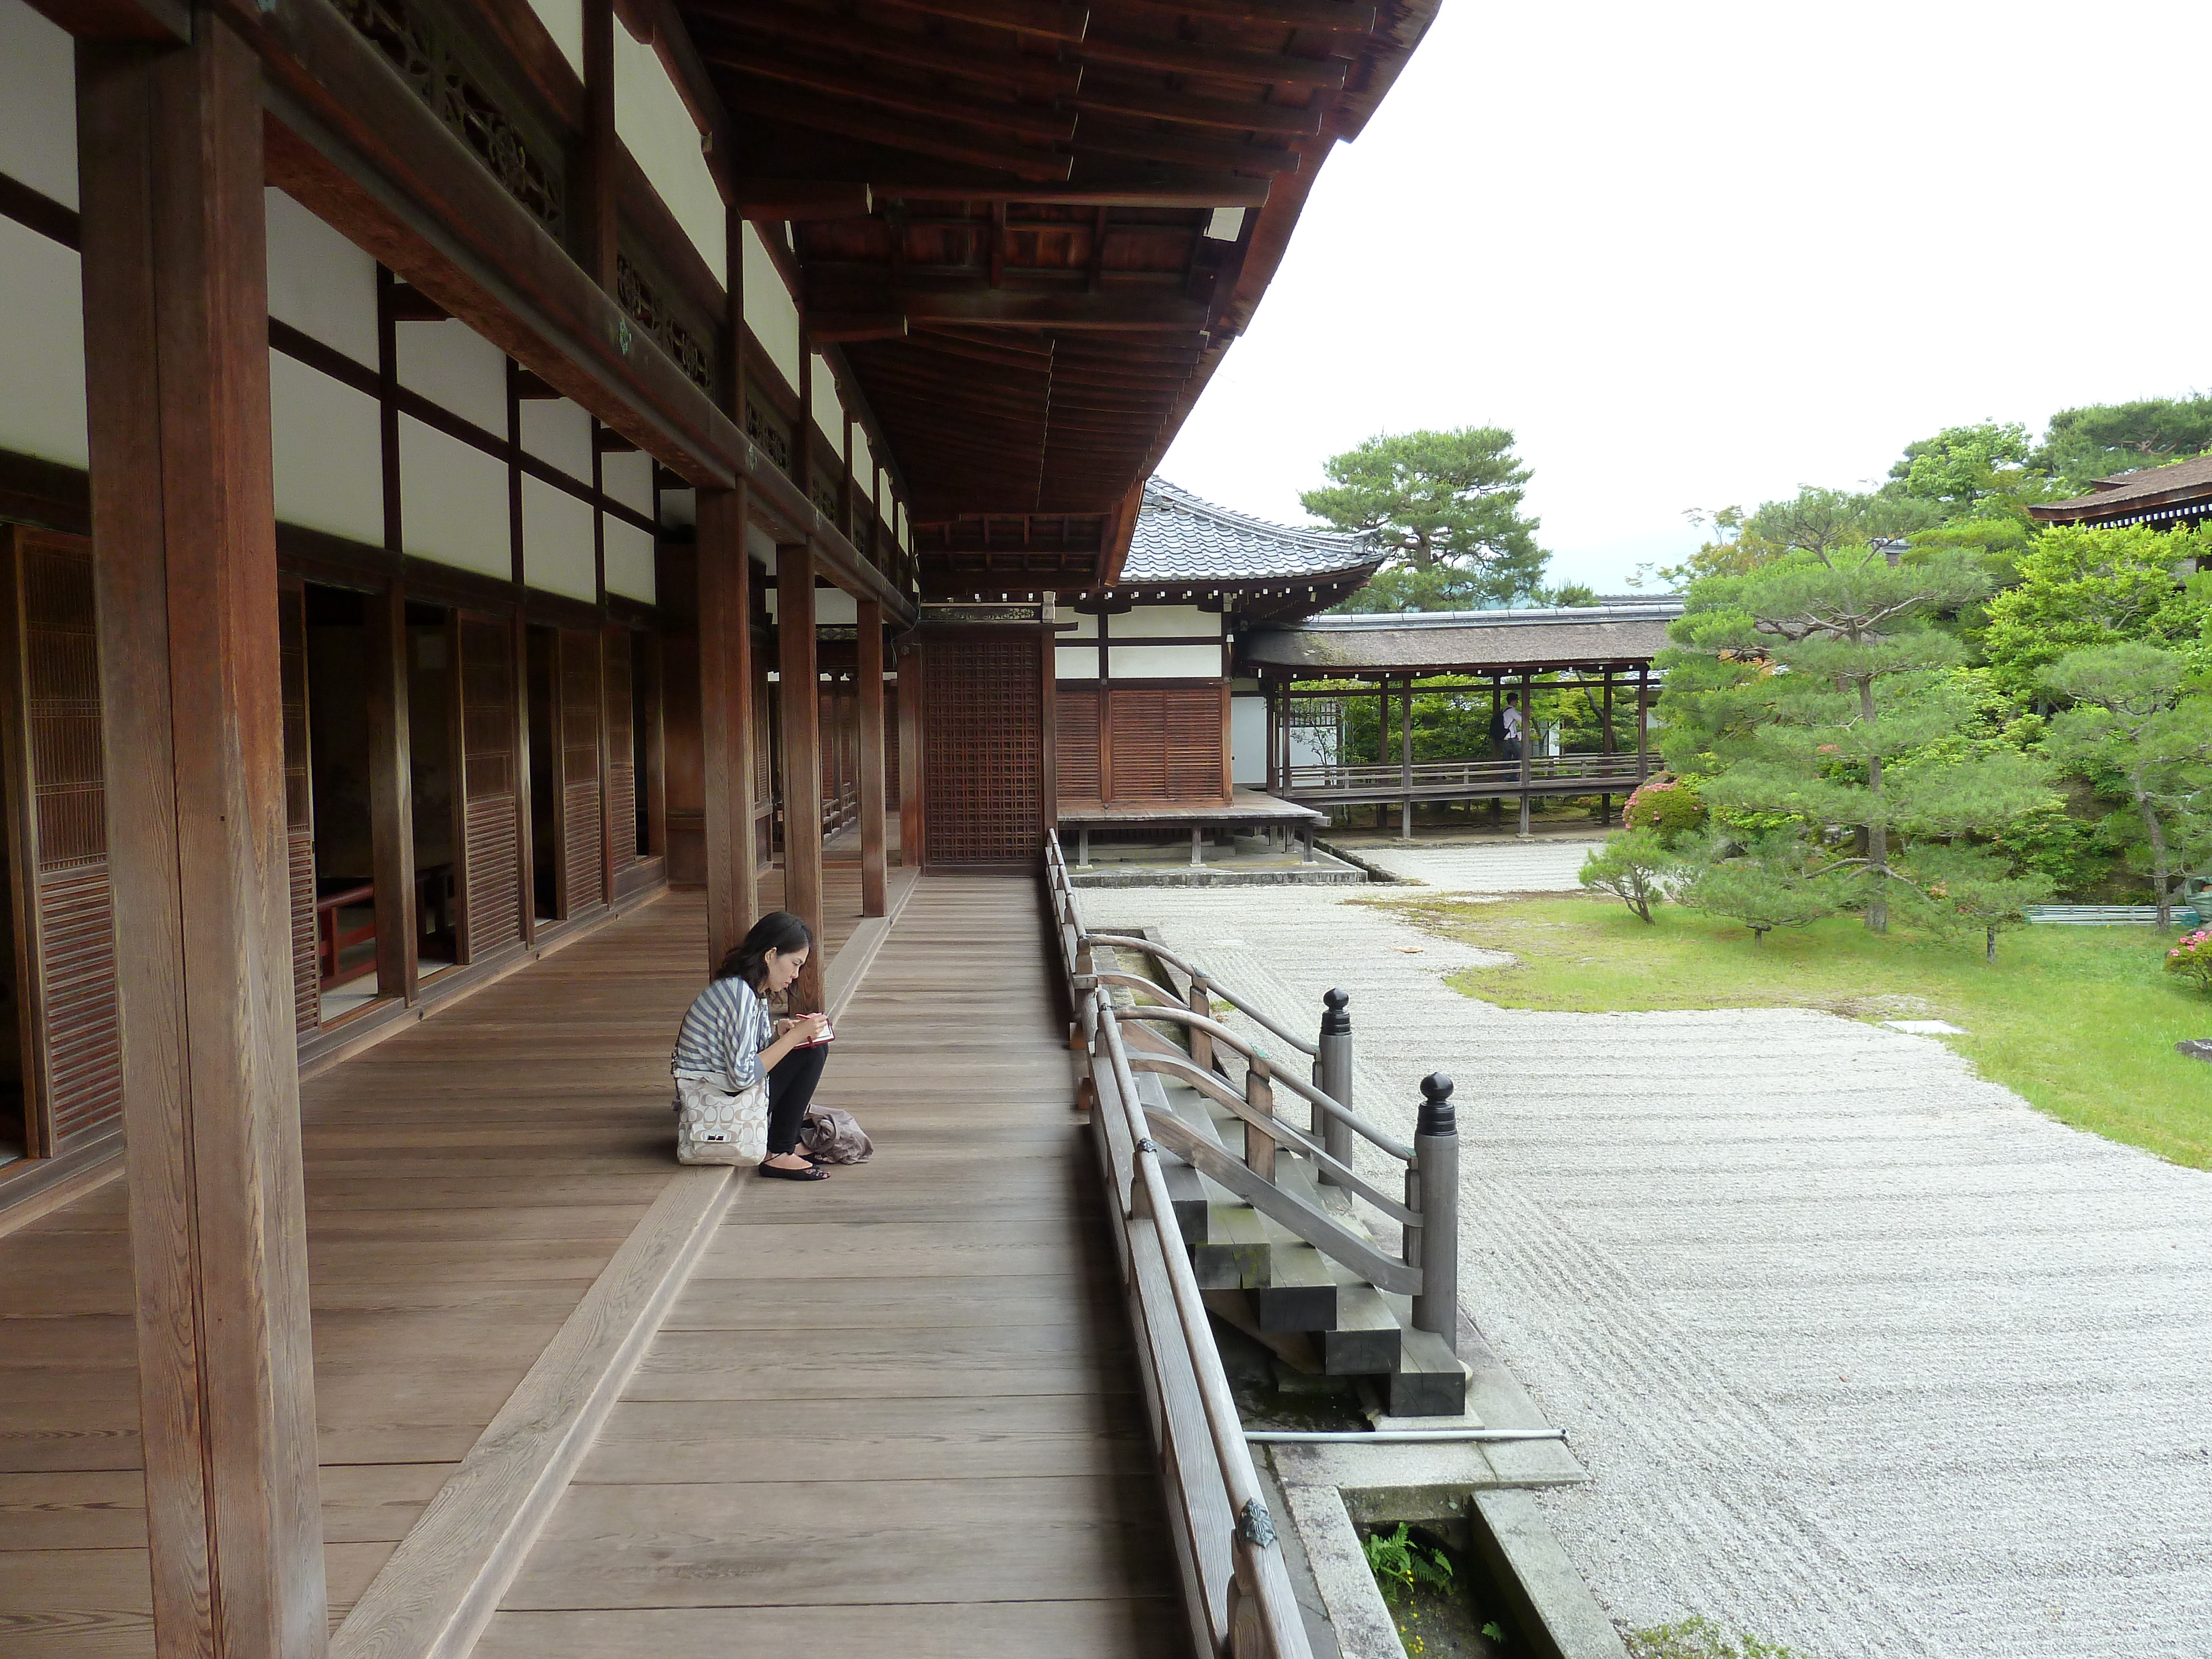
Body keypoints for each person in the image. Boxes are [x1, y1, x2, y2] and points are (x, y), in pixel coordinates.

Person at [670, 911, 835, 1181]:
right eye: (794, 964)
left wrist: (777, 1036)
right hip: (717, 1102)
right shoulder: (739, 995)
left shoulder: (748, 991)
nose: (795, 974)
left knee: (810, 1048)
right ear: (770, 955)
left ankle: (786, 1144)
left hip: (723, 1092)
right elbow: (743, 1075)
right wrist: (792, 1040)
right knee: (810, 1051)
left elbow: (749, 1055)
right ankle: (780, 1151)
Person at [1501, 691, 1525, 765]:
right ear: (1513, 701)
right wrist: (1527, 713)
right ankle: (1515, 775)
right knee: (1519, 756)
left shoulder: (1505, 710)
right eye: (1517, 701)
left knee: (1506, 760)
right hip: (1511, 739)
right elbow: (1522, 720)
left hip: (1505, 738)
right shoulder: (1511, 710)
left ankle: (1506, 776)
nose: (1517, 703)